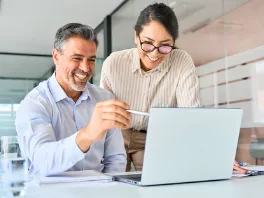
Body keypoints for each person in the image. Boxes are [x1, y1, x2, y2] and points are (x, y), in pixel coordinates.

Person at [15, 23, 131, 176]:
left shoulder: (104, 98)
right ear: (56, 57)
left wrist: (108, 190)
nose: (85, 68)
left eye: (91, 60)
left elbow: (116, 159)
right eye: (77, 58)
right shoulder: (34, 104)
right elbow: (42, 161)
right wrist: (88, 134)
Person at [100, 3, 200, 171]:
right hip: (117, 135)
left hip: (154, 136)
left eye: (165, 45)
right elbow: (105, 113)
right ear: (135, 35)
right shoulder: (114, 63)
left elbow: (191, 115)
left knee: (154, 186)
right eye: (147, 43)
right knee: (112, 185)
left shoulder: (181, 61)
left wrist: (212, 152)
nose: (154, 54)